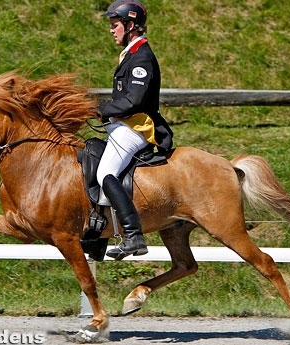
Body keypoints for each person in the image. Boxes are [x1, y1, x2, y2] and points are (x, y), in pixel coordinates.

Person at [97, 0, 173, 260]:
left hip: (138, 127)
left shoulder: (142, 57)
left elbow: (134, 101)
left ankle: (133, 236)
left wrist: (102, 109)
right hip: (123, 125)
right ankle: (97, 234)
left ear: (130, 25)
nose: (111, 30)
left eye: (115, 25)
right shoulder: (131, 53)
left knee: (106, 171)